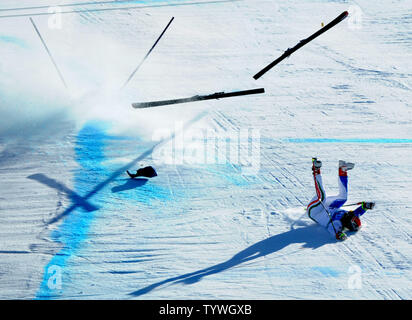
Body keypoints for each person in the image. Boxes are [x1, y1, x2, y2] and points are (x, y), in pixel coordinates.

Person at [306, 158, 375, 241]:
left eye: (351, 216)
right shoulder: (349, 216)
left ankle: (316, 169)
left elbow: (332, 229)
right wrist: (366, 206)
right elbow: (359, 212)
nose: (351, 214)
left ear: (348, 222)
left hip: (315, 212)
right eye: (353, 215)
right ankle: (343, 170)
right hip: (329, 206)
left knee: (322, 197)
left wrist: (339, 234)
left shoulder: (338, 223)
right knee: (343, 198)